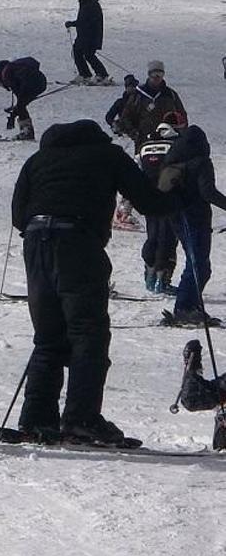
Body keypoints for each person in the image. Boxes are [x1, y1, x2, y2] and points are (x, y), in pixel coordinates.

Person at [10, 120, 180, 444]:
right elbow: (148, 202)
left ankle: (35, 419)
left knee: (48, 336)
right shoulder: (107, 154)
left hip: (35, 243)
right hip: (77, 242)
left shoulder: (36, 160)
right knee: (88, 334)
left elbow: (19, 215)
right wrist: (179, 194)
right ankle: (80, 418)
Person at [158, 124, 226, 326]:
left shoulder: (171, 161)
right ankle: (185, 307)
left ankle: (190, 304)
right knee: (199, 265)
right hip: (195, 218)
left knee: (196, 262)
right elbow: (208, 192)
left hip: (177, 217)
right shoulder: (201, 162)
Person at [137, 119, 182, 293]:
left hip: (149, 198)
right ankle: (163, 279)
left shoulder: (144, 146)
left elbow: (138, 168)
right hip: (169, 197)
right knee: (168, 237)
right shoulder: (174, 145)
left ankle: (149, 273)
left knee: (153, 234)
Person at [117, 60, 187, 148]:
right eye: (154, 74)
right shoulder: (138, 94)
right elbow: (126, 116)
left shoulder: (170, 94)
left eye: (160, 74)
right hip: (143, 140)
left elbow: (182, 115)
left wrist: (179, 133)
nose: (157, 77)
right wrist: (134, 133)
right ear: (149, 74)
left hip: (167, 140)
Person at [64, 0, 110, 85]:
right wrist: (74, 24)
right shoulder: (85, 3)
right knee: (77, 53)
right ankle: (85, 74)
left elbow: (89, 22)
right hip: (83, 35)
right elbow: (82, 20)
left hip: (91, 36)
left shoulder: (92, 4)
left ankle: (102, 75)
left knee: (89, 55)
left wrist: (74, 24)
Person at [0, 57, 46, 140]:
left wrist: (13, 115)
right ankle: (27, 131)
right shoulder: (13, 68)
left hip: (30, 85)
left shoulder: (8, 74)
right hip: (41, 81)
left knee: (21, 106)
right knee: (21, 105)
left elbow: (21, 99)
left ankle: (27, 132)